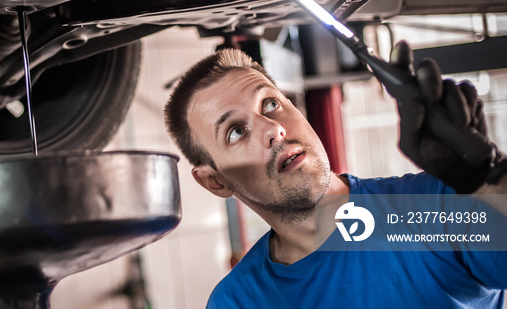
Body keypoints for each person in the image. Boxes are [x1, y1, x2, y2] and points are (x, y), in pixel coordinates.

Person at [163, 42, 507, 308]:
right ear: (215, 181)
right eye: (236, 131)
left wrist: (486, 181)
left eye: (270, 104)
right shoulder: (238, 302)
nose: (274, 129)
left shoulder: (437, 207)